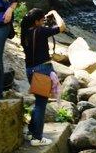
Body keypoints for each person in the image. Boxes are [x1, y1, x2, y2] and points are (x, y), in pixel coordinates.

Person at [20, 8, 67, 145]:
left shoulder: (25, 33)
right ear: (36, 21)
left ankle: (31, 132)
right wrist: (55, 12)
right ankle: (37, 138)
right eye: (42, 20)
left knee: (38, 102)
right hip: (42, 69)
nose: (43, 22)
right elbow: (62, 27)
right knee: (41, 104)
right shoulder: (40, 31)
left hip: (30, 70)